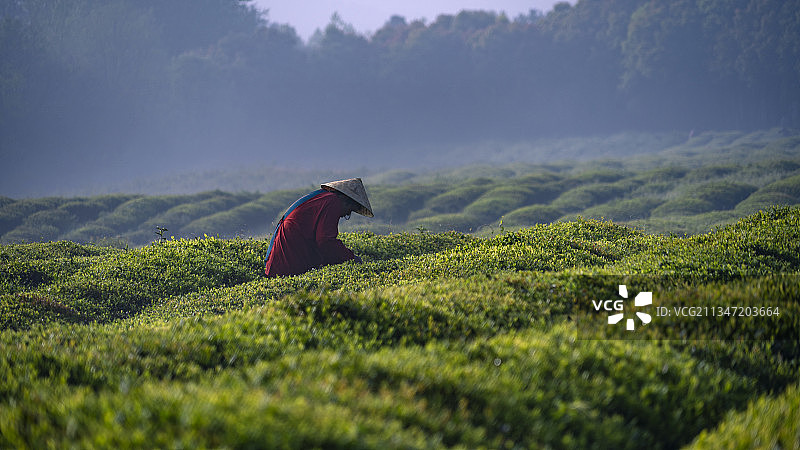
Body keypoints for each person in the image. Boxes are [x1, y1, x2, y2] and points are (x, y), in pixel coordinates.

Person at [264, 178, 374, 277]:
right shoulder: (333, 202)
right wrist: (351, 258)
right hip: (289, 260)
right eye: (349, 210)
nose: (345, 215)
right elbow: (325, 241)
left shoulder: (323, 198)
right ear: (346, 202)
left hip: (280, 261)